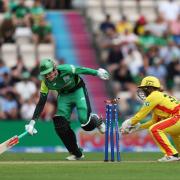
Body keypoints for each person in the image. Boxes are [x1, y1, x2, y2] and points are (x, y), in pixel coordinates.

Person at [25, 58, 110, 160]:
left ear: (55, 68)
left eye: (50, 72)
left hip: (78, 90)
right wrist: (32, 122)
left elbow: (82, 70)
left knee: (85, 123)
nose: (48, 76)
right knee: (60, 124)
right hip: (64, 96)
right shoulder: (45, 83)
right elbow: (41, 102)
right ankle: (76, 153)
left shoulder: (66, 69)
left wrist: (97, 73)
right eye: (45, 74)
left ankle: (96, 121)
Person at [121, 76, 180, 162]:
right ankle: (174, 155)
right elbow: (153, 121)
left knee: (155, 129)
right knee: (174, 133)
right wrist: (138, 127)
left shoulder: (153, 96)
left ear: (149, 88)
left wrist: (130, 123)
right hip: (176, 118)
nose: (142, 91)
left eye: (143, 88)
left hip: (177, 117)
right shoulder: (158, 97)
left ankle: (172, 154)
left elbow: (141, 115)